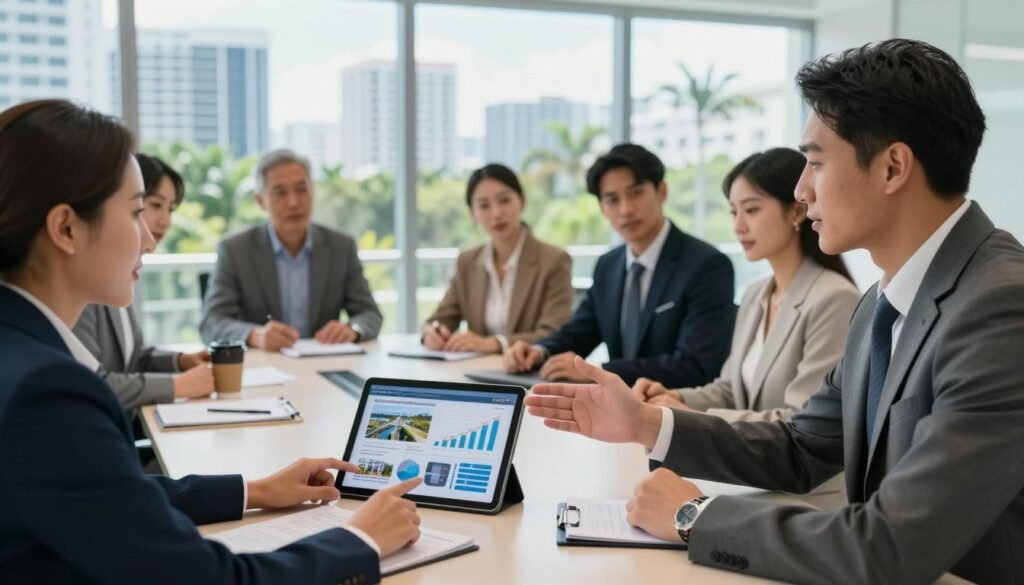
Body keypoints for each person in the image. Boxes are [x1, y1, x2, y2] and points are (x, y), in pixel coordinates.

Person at [525, 39, 1024, 584]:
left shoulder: (1000, 307)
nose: (801, 191)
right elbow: (802, 443)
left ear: (892, 167)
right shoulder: (882, 301)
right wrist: (646, 423)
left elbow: (888, 548)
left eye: (814, 163)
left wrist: (696, 516)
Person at [0, 100, 422, 584]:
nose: (151, 239)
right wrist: (360, 540)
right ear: (67, 228)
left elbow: (106, 495)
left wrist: (256, 489)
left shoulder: (20, 355)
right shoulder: (48, 393)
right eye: (138, 210)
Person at [632, 148, 860, 422]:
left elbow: (804, 420)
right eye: (733, 212)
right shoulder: (756, 295)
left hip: (799, 464)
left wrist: (691, 415)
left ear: (797, 211)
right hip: (748, 462)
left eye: (751, 209)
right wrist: (675, 398)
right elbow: (730, 390)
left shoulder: (834, 299)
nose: (738, 225)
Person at [503, 143, 736, 387]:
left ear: (662, 191)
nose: (626, 209)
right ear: (602, 208)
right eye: (612, 199)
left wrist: (600, 372)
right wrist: (539, 351)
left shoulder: (707, 265)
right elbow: (581, 332)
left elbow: (695, 365)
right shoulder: (608, 265)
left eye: (636, 193)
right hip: (618, 409)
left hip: (675, 411)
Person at [199, 149, 382, 351]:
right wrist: (254, 335)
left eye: (301, 189)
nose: (294, 202)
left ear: (312, 192)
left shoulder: (341, 247)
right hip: (264, 368)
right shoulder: (235, 250)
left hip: (325, 365)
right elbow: (212, 323)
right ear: (260, 201)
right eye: (280, 193)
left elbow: (369, 314)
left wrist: (353, 329)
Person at [74, 154, 214, 410]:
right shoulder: (83, 284)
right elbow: (90, 383)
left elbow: (131, 358)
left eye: (171, 209)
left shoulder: (119, 275)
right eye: (152, 206)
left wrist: (181, 361)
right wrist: (178, 385)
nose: (166, 221)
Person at [422, 163, 573, 353]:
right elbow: (441, 318)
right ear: (473, 214)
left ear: (522, 201)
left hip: (531, 373)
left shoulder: (554, 260)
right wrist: (432, 332)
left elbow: (555, 332)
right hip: (474, 372)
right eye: (484, 205)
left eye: (504, 200)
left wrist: (495, 343)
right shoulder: (467, 262)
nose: (496, 213)